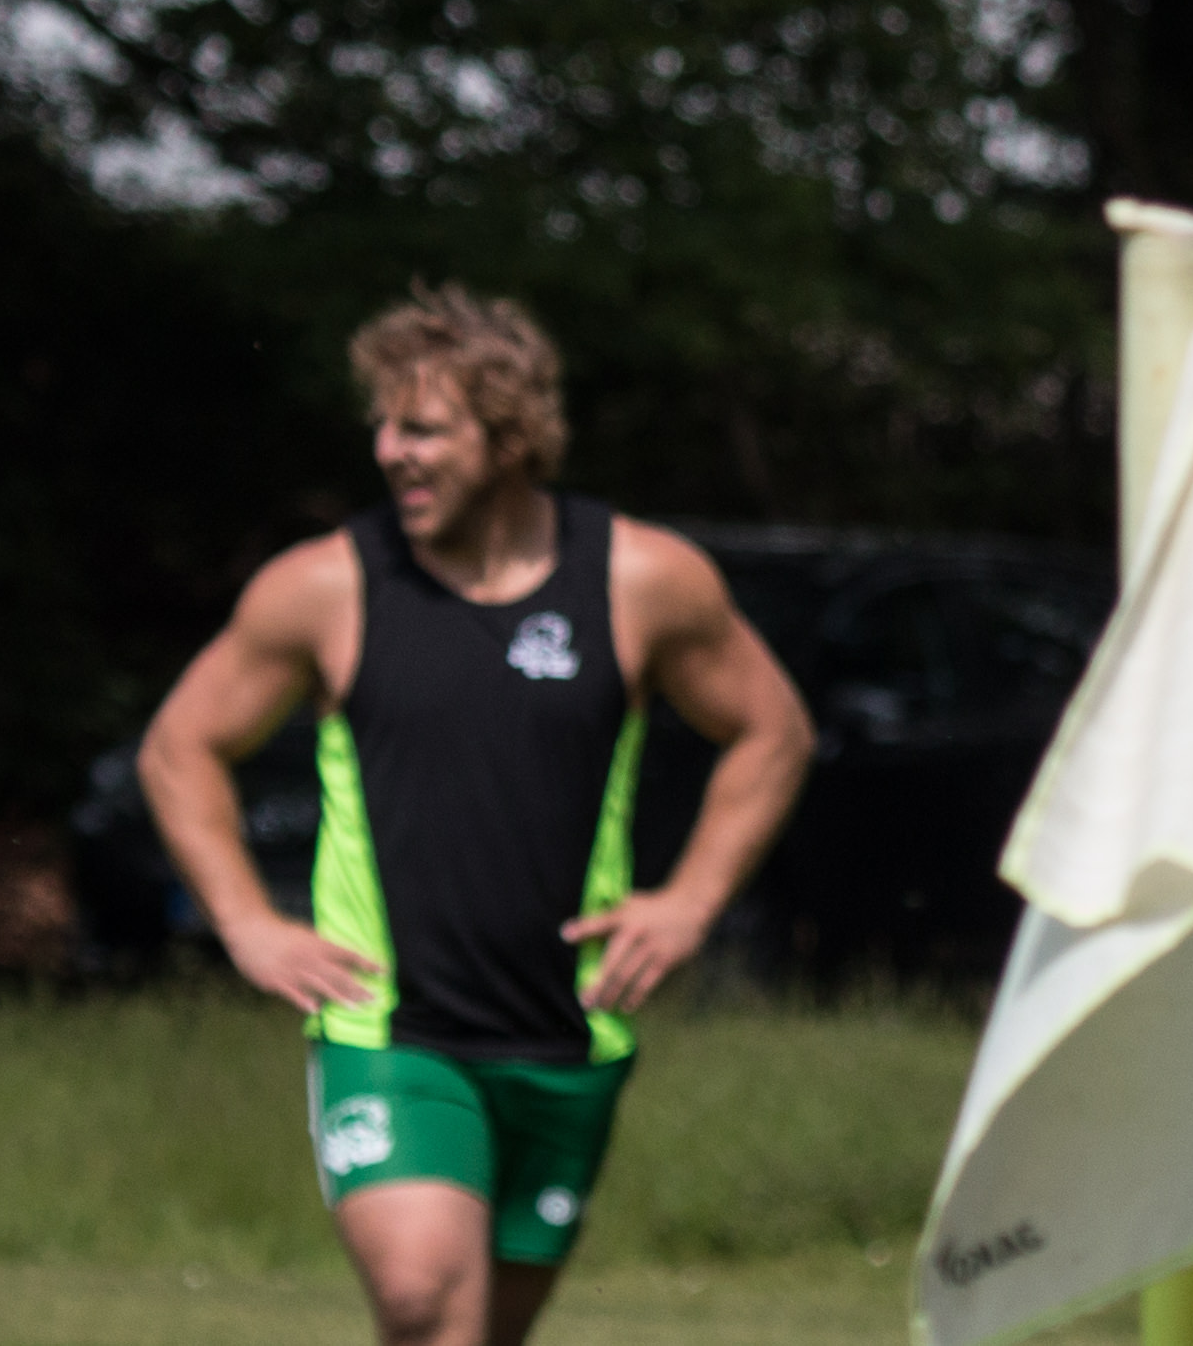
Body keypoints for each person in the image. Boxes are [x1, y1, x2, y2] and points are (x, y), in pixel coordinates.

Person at [140, 284, 813, 1346]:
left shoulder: (641, 579)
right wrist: (247, 922)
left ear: (509, 436)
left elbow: (772, 730)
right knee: (422, 1302)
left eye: (421, 427)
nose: (389, 451)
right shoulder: (326, 586)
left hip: (569, 1031)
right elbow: (180, 745)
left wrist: (689, 901)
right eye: (382, 425)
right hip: (387, 1028)